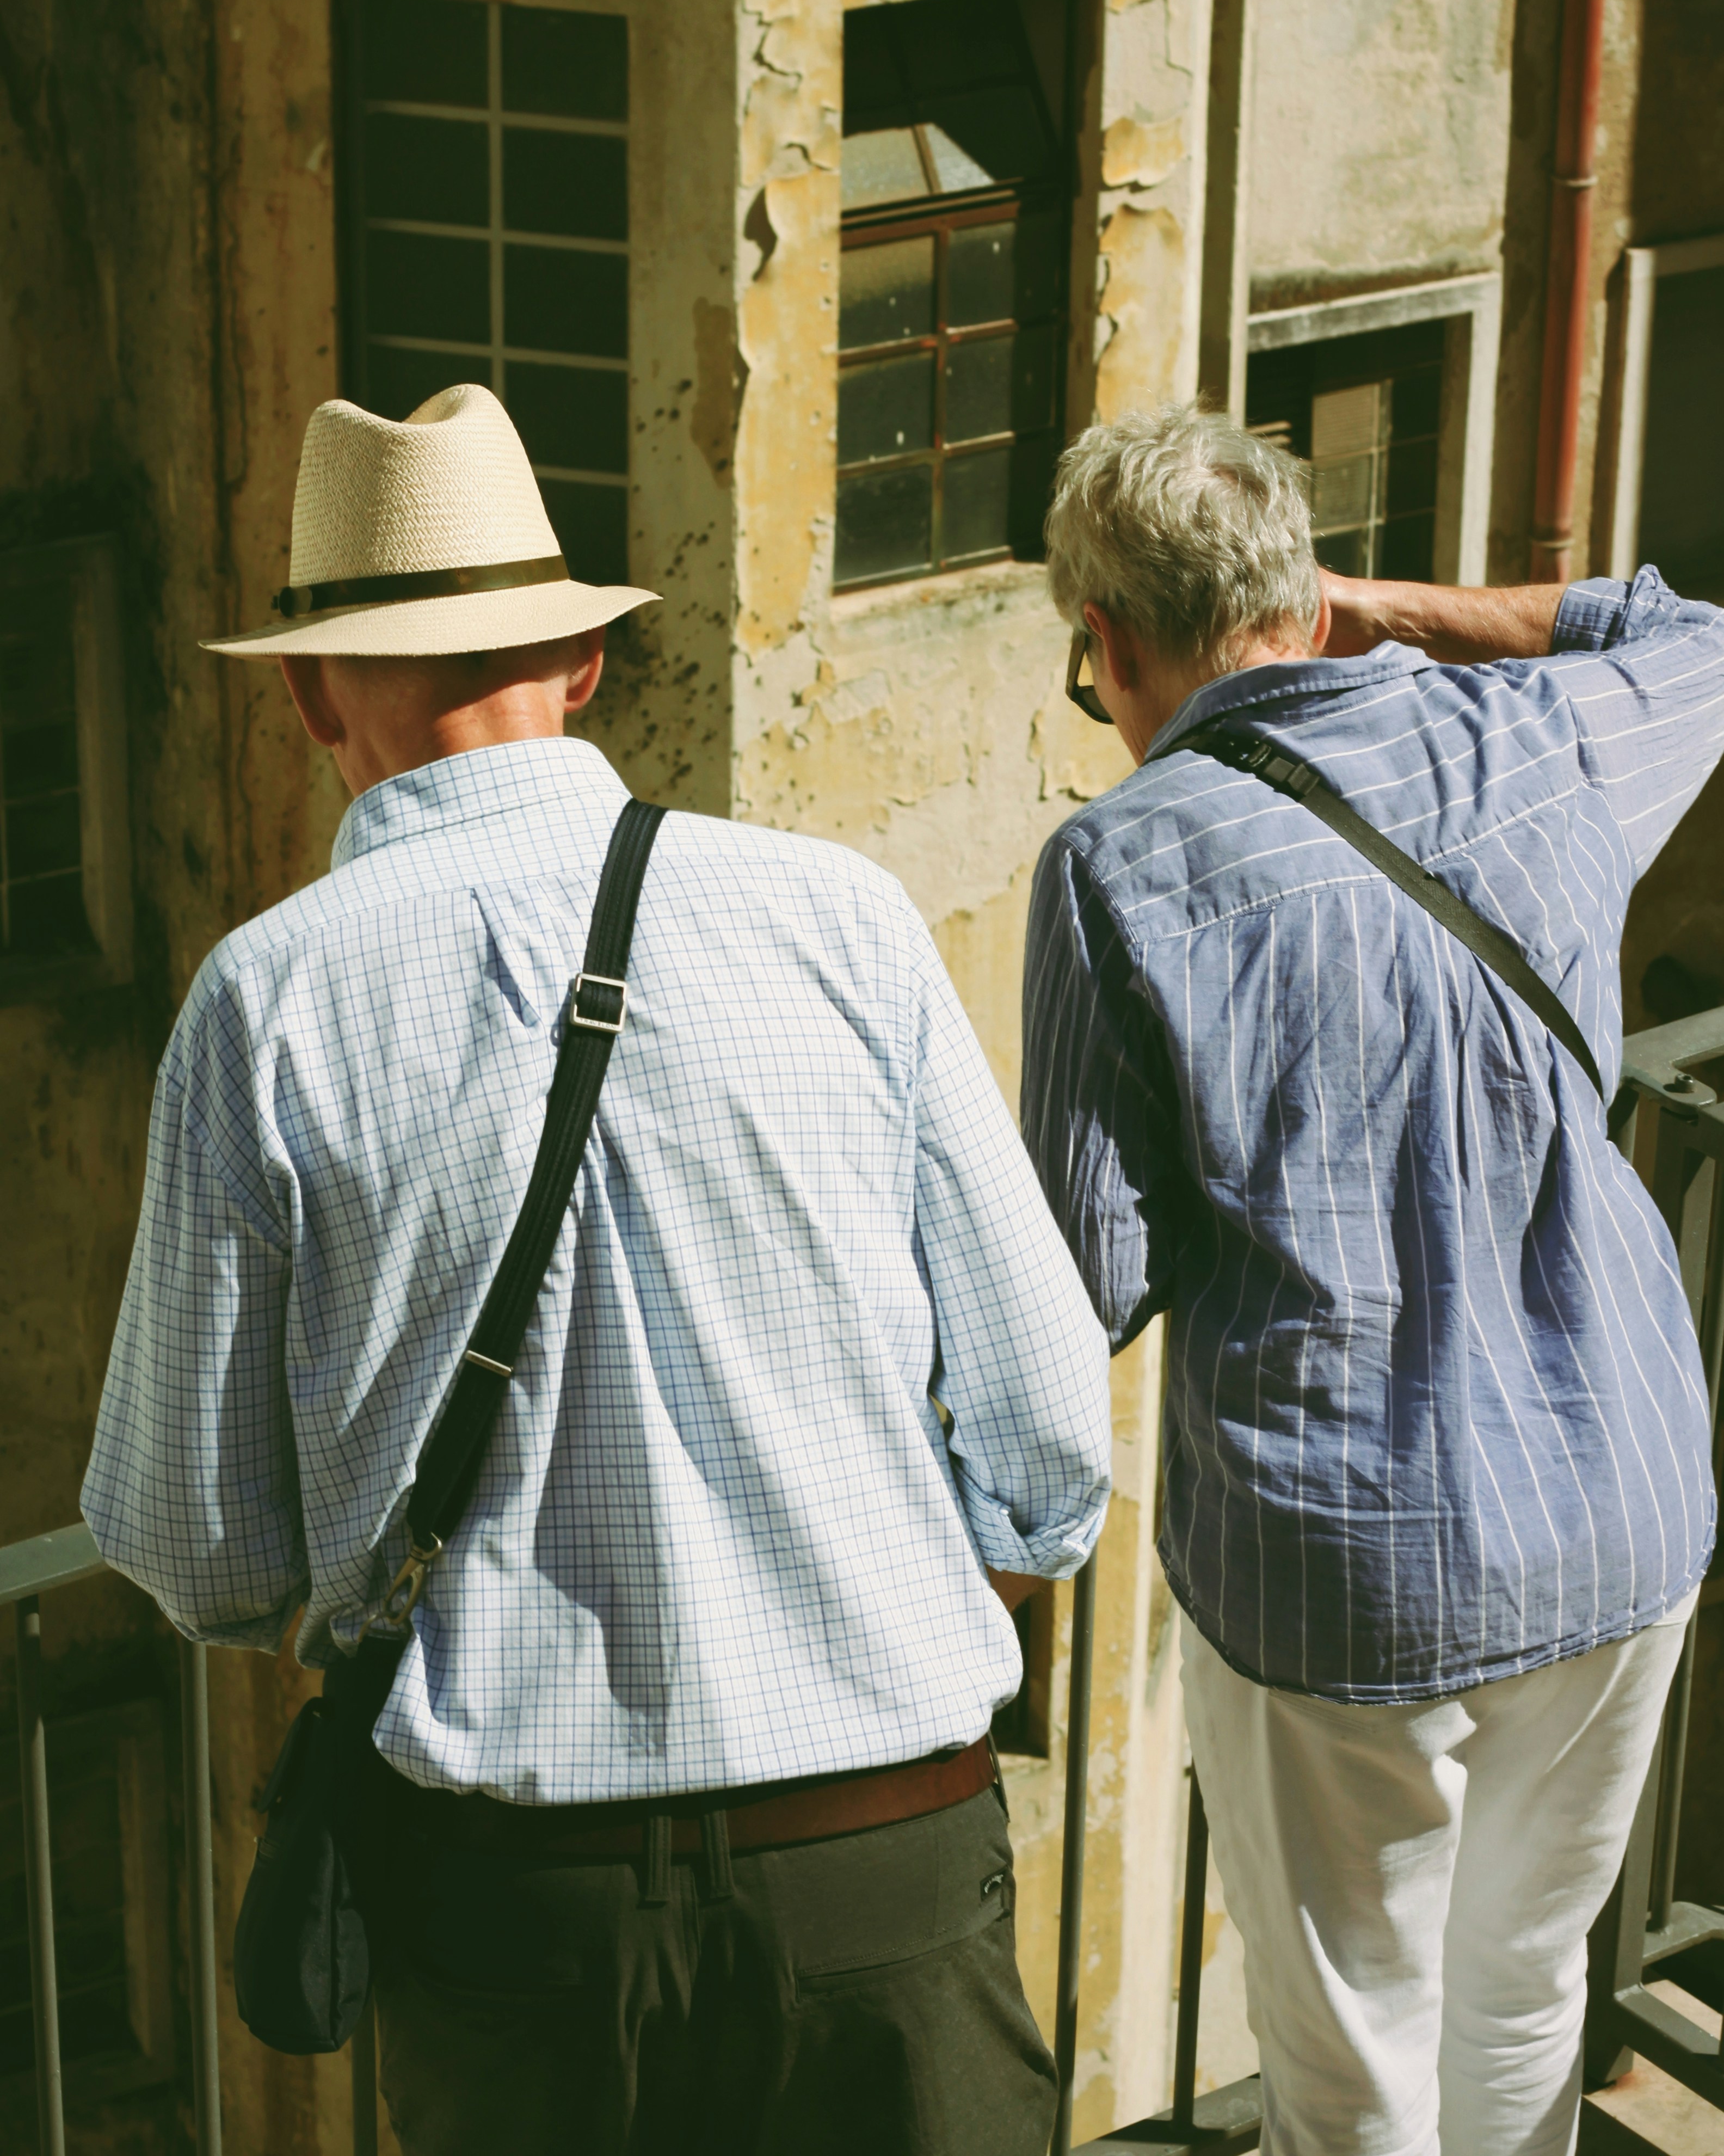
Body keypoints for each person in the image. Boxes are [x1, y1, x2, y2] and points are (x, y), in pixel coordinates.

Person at [83, 383, 1113, 2156]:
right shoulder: (837, 915)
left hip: (514, 1917)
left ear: (316, 697)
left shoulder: (261, 1007)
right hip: (882, 1865)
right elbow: (1044, 1423)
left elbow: (198, 1545)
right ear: (578, 666)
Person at [1021, 402, 1718, 2156]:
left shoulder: (1119, 865)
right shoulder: (1536, 740)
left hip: (1345, 1561)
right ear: (1308, 592)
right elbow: (1688, 632)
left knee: (1348, 2057)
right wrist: (1384, 609)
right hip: (1624, 1501)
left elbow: (1088, 1273)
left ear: (1105, 643)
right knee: (1524, 1993)